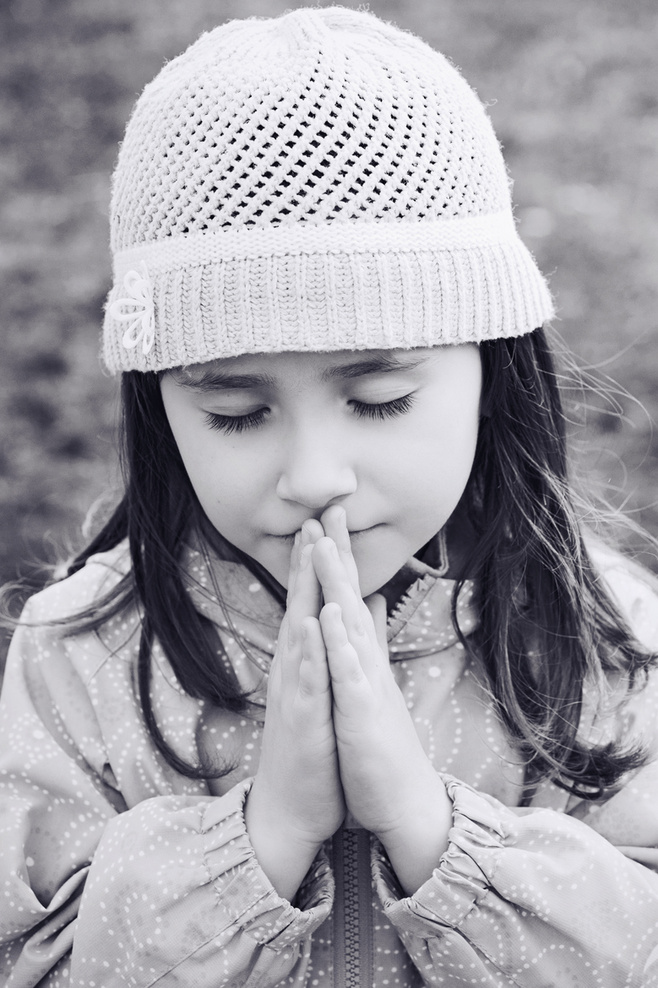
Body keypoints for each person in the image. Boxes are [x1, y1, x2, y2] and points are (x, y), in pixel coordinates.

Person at [1, 7, 657, 986]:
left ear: (493, 369)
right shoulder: (76, 664)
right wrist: (263, 836)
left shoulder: (604, 641)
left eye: (378, 397)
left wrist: (430, 831)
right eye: (234, 409)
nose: (313, 473)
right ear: (156, 404)